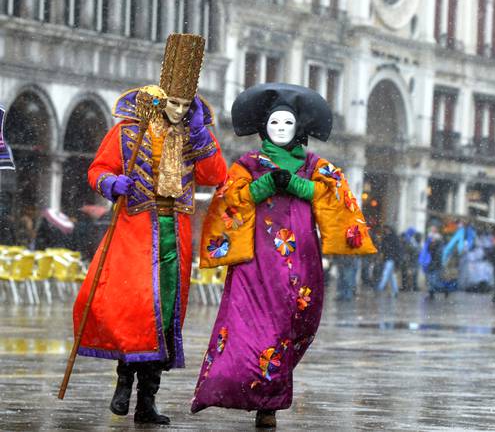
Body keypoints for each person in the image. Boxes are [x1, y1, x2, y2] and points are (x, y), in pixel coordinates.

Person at [191, 83, 376, 428]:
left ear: (298, 130)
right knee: (251, 327)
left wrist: (296, 185)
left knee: (289, 327)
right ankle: (257, 399)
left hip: (300, 264)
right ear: (264, 127)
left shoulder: (315, 166)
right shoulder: (247, 165)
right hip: (254, 262)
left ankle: (268, 397)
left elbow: (334, 198)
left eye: (287, 124)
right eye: (274, 123)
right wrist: (261, 187)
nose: (279, 129)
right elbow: (228, 202)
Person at [72, 34, 227, 425]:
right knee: (133, 308)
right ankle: (123, 382)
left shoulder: (194, 138)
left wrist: (199, 134)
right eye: (172, 103)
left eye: (185, 105)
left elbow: (216, 175)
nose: (178, 110)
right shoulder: (127, 132)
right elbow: (98, 169)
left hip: (175, 232)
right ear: (159, 101)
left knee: (165, 314)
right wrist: (111, 184)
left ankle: (147, 401)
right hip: (133, 229)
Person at [377, 225, 402, 297]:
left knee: (386, 273)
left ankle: (380, 288)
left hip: (391, 259)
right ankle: (395, 290)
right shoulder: (386, 238)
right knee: (391, 276)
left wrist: (396, 258)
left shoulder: (392, 238)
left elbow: (396, 249)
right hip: (389, 258)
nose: (386, 231)